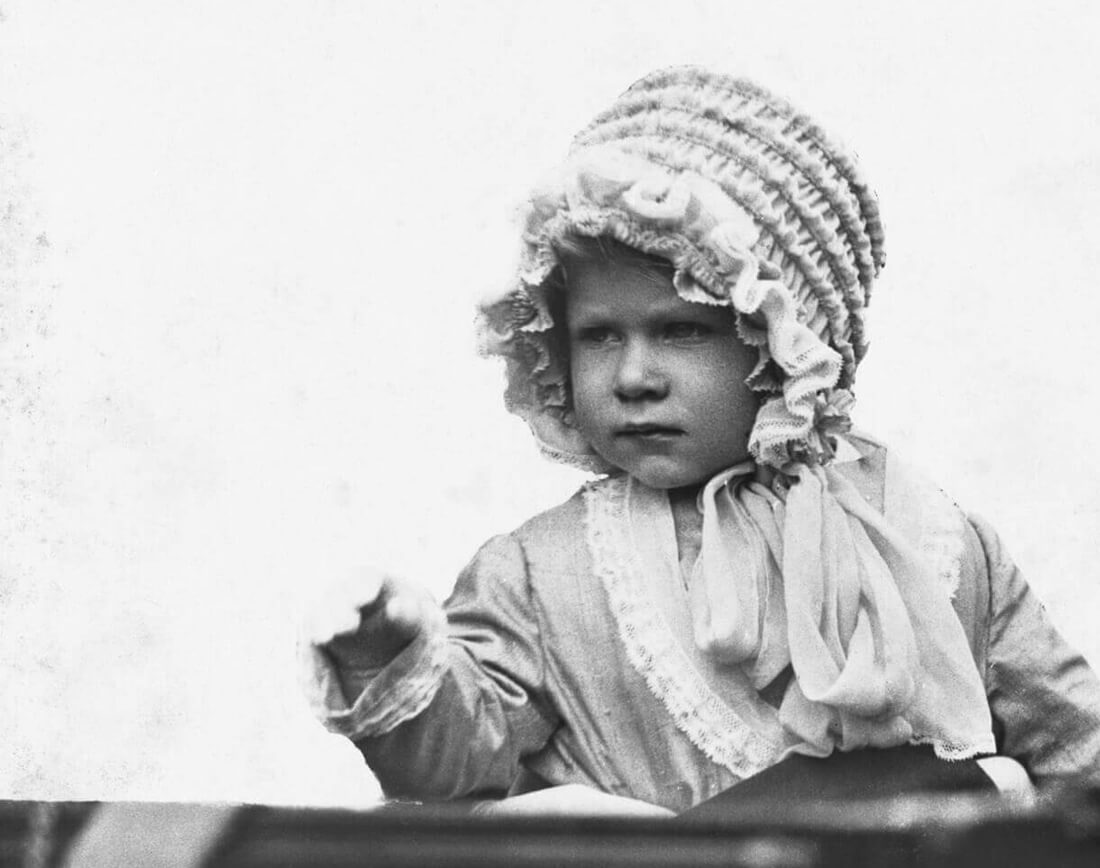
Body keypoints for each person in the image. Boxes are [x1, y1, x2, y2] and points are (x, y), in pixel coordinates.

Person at [300, 66, 1100, 816]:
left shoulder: (927, 533)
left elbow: (1078, 752)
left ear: (781, 342)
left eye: (681, 331)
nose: (634, 376)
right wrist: (395, 656)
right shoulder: (542, 574)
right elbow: (453, 765)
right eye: (600, 336)